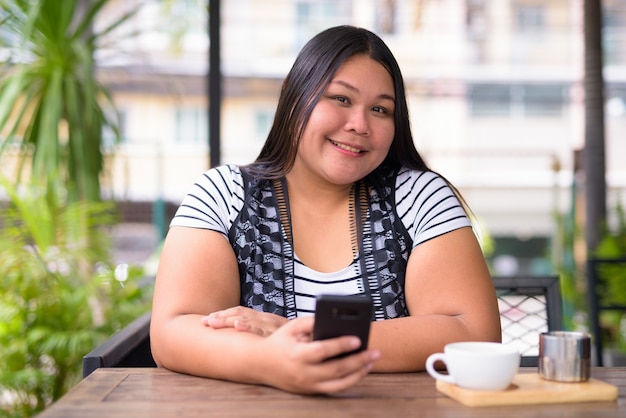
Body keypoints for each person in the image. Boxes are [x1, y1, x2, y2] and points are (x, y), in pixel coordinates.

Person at [150, 25, 502, 395]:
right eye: (341, 99)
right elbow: (173, 331)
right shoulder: (222, 194)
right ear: (293, 95)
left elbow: (472, 331)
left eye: (380, 109)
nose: (359, 125)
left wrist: (300, 334)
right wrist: (269, 362)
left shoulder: (420, 195)